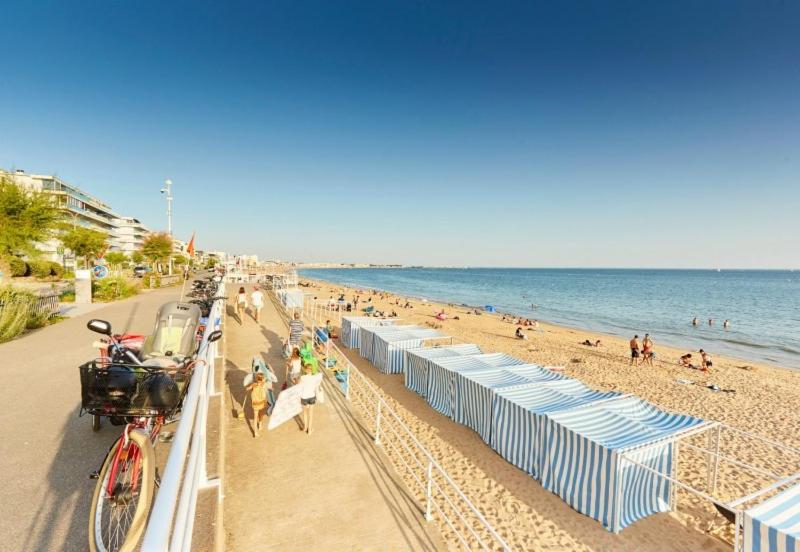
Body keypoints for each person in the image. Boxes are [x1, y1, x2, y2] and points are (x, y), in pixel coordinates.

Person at [298, 362, 324, 434]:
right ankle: (309, 430)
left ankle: (305, 428)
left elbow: (298, 386)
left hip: (304, 397)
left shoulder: (302, 378)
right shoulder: (314, 378)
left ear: (305, 370)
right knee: (311, 414)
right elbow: (320, 376)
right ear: (312, 370)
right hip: (312, 397)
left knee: (305, 413)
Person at [245, 372, 268, 437]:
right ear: (262, 379)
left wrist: (249, 387)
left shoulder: (254, 385)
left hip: (256, 404)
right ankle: (260, 424)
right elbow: (265, 392)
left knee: (255, 418)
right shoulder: (262, 385)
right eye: (263, 378)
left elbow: (247, 389)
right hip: (261, 402)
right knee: (261, 413)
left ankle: (255, 432)